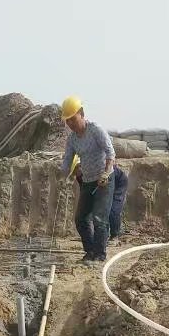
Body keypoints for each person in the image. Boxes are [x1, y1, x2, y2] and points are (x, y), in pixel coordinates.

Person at [59, 96, 115, 261]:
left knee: (99, 218)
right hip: (88, 181)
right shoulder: (72, 139)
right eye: (67, 121)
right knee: (81, 219)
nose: (70, 124)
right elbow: (67, 159)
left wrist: (106, 172)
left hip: (104, 179)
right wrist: (63, 176)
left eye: (73, 119)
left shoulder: (95, 130)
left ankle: (100, 254)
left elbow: (110, 152)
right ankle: (90, 251)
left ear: (81, 114)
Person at [70, 151, 128, 244]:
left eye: (75, 171)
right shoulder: (80, 176)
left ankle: (115, 236)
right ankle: (100, 236)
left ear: (80, 166)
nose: (74, 174)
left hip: (117, 184)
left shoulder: (95, 169)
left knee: (112, 210)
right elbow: (86, 192)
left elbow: (104, 183)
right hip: (102, 186)